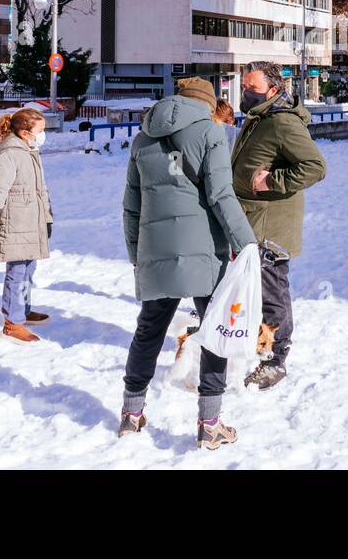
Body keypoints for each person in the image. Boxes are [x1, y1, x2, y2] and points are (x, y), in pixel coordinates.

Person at [119, 77, 258, 449]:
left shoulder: (142, 137)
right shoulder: (211, 134)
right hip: (202, 252)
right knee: (213, 332)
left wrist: (138, 255)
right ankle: (209, 424)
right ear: (208, 104)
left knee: (148, 330)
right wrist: (247, 244)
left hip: (156, 249)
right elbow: (221, 195)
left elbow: (131, 206)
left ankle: (131, 415)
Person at [231, 61, 327, 391]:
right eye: (244, 85)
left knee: (273, 293)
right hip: (251, 221)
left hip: (272, 227)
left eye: (252, 88)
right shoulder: (258, 119)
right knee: (255, 291)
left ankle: (276, 360)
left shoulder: (283, 123)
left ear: (273, 90)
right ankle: (254, 345)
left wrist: (272, 180)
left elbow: (315, 167)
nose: (245, 92)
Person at [0, 108, 53, 344]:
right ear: (25, 132)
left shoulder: (29, 151)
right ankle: (12, 325)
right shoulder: (10, 154)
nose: (43, 134)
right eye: (40, 131)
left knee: (29, 270)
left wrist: (47, 218)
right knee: (18, 273)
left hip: (31, 221)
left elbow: (40, 190)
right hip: (16, 223)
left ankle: (23, 311)